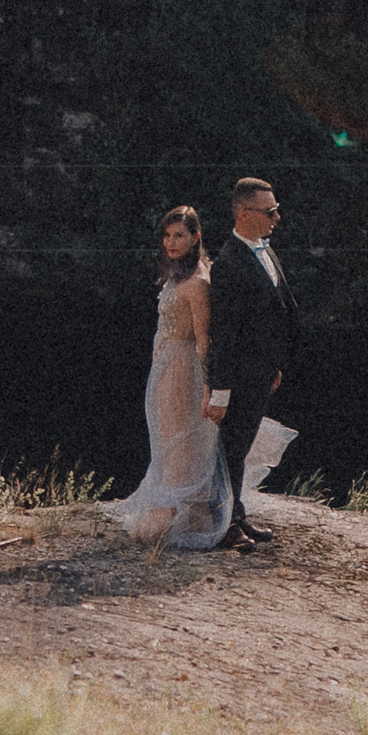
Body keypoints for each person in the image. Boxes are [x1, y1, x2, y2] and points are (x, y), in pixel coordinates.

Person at [106, 205, 232, 548]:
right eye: (167, 234)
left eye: (179, 235)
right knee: (168, 437)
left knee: (181, 440)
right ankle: (185, 509)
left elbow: (205, 339)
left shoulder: (197, 282)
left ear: (196, 237)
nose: (171, 242)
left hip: (182, 369)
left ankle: (186, 513)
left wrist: (210, 390)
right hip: (166, 364)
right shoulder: (178, 274)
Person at [203, 175, 299, 548]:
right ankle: (223, 526)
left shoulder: (264, 249)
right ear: (244, 214)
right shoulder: (228, 263)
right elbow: (224, 335)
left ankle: (237, 515)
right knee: (229, 451)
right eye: (270, 211)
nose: (276, 217)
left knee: (240, 448)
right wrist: (221, 391)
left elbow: (275, 315)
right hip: (239, 377)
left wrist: (276, 365)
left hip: (261, 373)